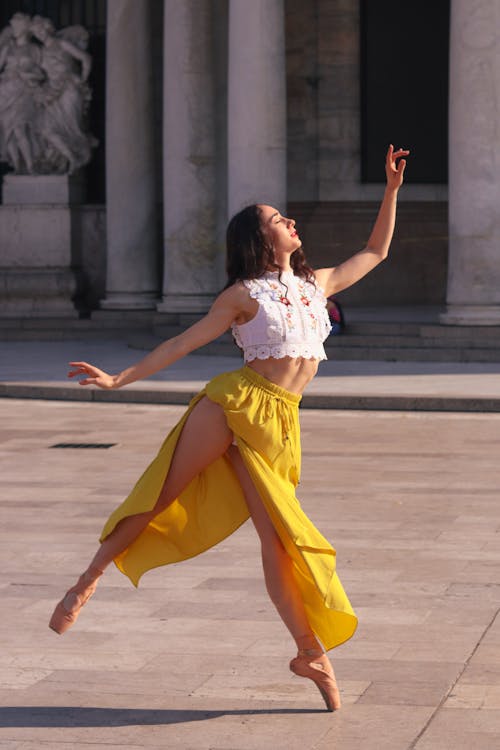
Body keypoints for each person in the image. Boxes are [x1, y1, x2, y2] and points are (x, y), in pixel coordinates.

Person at [49, 145, 409, 712]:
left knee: (279, 541)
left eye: (287, 218)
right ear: (261, 240)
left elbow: (376, 250)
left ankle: (308, 652)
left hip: (281, 424)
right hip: (233, 403)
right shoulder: (244, 295)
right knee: (161, 495)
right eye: (277, 220)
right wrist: (121, 379)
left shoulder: (318, 284)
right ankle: (86, 580)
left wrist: (389, 189)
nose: (290, 222)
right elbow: (181, 342)